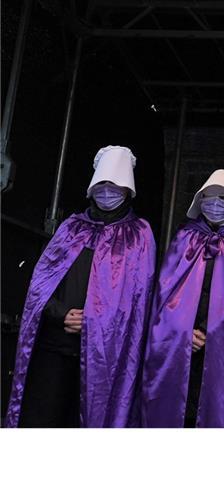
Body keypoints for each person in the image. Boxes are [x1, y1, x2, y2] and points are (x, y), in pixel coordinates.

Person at [6, 145, 156, 428]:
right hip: (55, 349)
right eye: (102, 186)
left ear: (127, 190)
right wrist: (61, 313)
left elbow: (137, 300)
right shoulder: (71, 228)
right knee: (42, 421)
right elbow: (40, 288)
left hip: (103, 358)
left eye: (114, 187)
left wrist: (94, 319)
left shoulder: (139, 235)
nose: (107, 192)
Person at [142, 169, 224, 427]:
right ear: (200, 200)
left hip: (221, 349)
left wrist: (210, 333)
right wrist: (184, 329)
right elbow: (166, 292)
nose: (216, 204)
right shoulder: (185, 238)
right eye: (210, 197)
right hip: (180, 345)